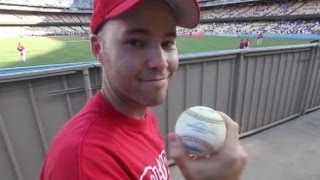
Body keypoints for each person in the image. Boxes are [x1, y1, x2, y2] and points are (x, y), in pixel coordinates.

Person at [40, 0, 247, 179]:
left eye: (167, 43)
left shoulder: (140, 111)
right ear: (99, 49)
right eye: (136, 42)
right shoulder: (84, 162)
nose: (160, 62)